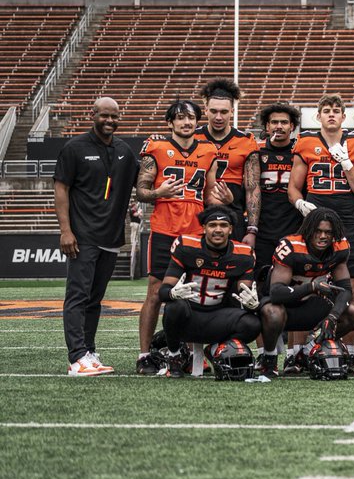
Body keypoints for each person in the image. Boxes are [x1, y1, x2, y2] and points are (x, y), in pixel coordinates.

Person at [134, 99, 220, 375]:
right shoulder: (156, 148)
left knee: (196, 294)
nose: (186, 122)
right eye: (180, 118)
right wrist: (159, 193)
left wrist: (221, 204)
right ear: (170, 122)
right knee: (156, 292)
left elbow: (209, 195)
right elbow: (141, 191)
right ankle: (144, 355)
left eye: (191, 117)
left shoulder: (208, 150)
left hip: (195, 232)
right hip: (164, 229)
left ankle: (192, 357)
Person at [54, 97, 138, 376]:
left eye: (114, 116)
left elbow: (136, 184)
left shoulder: (125, 150)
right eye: (104, 116)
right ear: (93, 115)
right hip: (83, 236)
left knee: (94, 299)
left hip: (111, 237)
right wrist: (66, 230)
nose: (110, 121)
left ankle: (88, 350)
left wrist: (136, 206)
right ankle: (76, 357)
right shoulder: (74, 148)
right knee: (77, 296)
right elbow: (61, 190)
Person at [157, 206, 260, 378]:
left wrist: (252, 304)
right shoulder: (187, 246)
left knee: (253, 323)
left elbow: (244, 293)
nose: (218, 230)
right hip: (189, 316)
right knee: (174, 307)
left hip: (217, 317)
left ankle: (214, 349)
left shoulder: (243, 254)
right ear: (204, 228)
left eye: (223, 225)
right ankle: (174, 356)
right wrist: (173, 294)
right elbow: (163, 291)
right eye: (212, 225)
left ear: (231, 229)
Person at [260, 208, 354, 377]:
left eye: (328, 232)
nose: (323, 236)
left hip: (313, 305)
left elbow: (346, 291)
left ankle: (306, 351)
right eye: (318, 231)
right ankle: (269, 359)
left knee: (353, 312)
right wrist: (312, 287)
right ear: (308, 230)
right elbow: (276, 293)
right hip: (285, 305)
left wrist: (332, 317)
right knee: (273, 312)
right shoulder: (291, 246)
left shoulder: (339, 247)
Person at [290, 93, 354, 294]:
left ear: (344, 117)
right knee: (308, 277)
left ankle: (347, 323)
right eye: (326, 111)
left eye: (336, 111)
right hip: (314, 213)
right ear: (318, 117)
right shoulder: (306, 141)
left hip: (346, 216)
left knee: (350, 282)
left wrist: (346, 163)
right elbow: (293, 187)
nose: (331, 115)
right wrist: (300, 203)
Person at [196, 79, 259, 244]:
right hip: (199, 211)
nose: (218, 117)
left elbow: (253, 189)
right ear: (205, 110)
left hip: (233, 212)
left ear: (232, 111)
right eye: (214, 111)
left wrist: (252, 229)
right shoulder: (193, 137)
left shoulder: (245, 140)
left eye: (224, 112)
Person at [248, 103, 303, 288]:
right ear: (267, 126)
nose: (279, 126)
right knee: (261, 280)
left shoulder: (301, 151)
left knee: (291, 281)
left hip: (293, 226)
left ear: (292, 126)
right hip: (264, 227)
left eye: (284, 122)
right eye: (274, 122)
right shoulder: (256, 150)